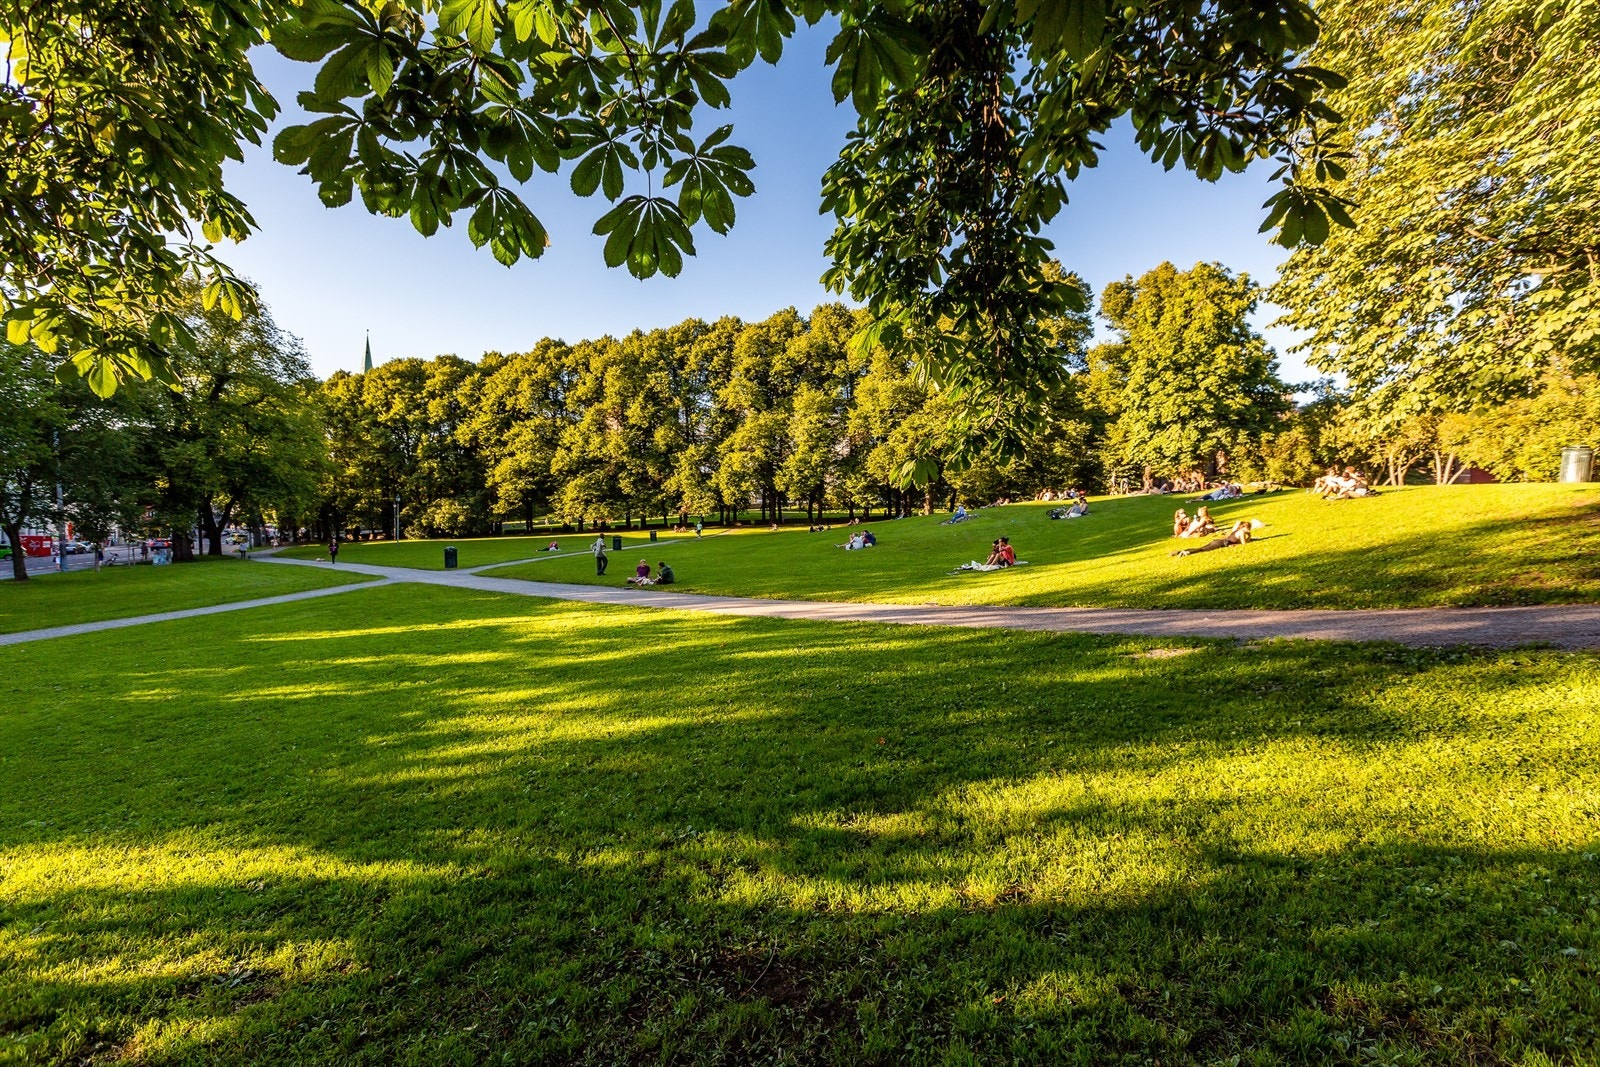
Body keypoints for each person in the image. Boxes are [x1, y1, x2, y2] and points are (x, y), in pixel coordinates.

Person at [1172, 519, 1260, 557]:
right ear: (1244, 527)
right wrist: (1249, 536)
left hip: (1219, 541)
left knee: (1202, 548)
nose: (1249, 529)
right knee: (1202, 549)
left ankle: (1180, 551)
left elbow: (1237, 541)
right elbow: (1244, 543)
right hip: (1220, 543)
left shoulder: (1236, 530)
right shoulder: (1242, 532)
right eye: (1248, 528)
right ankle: (1186, 552)